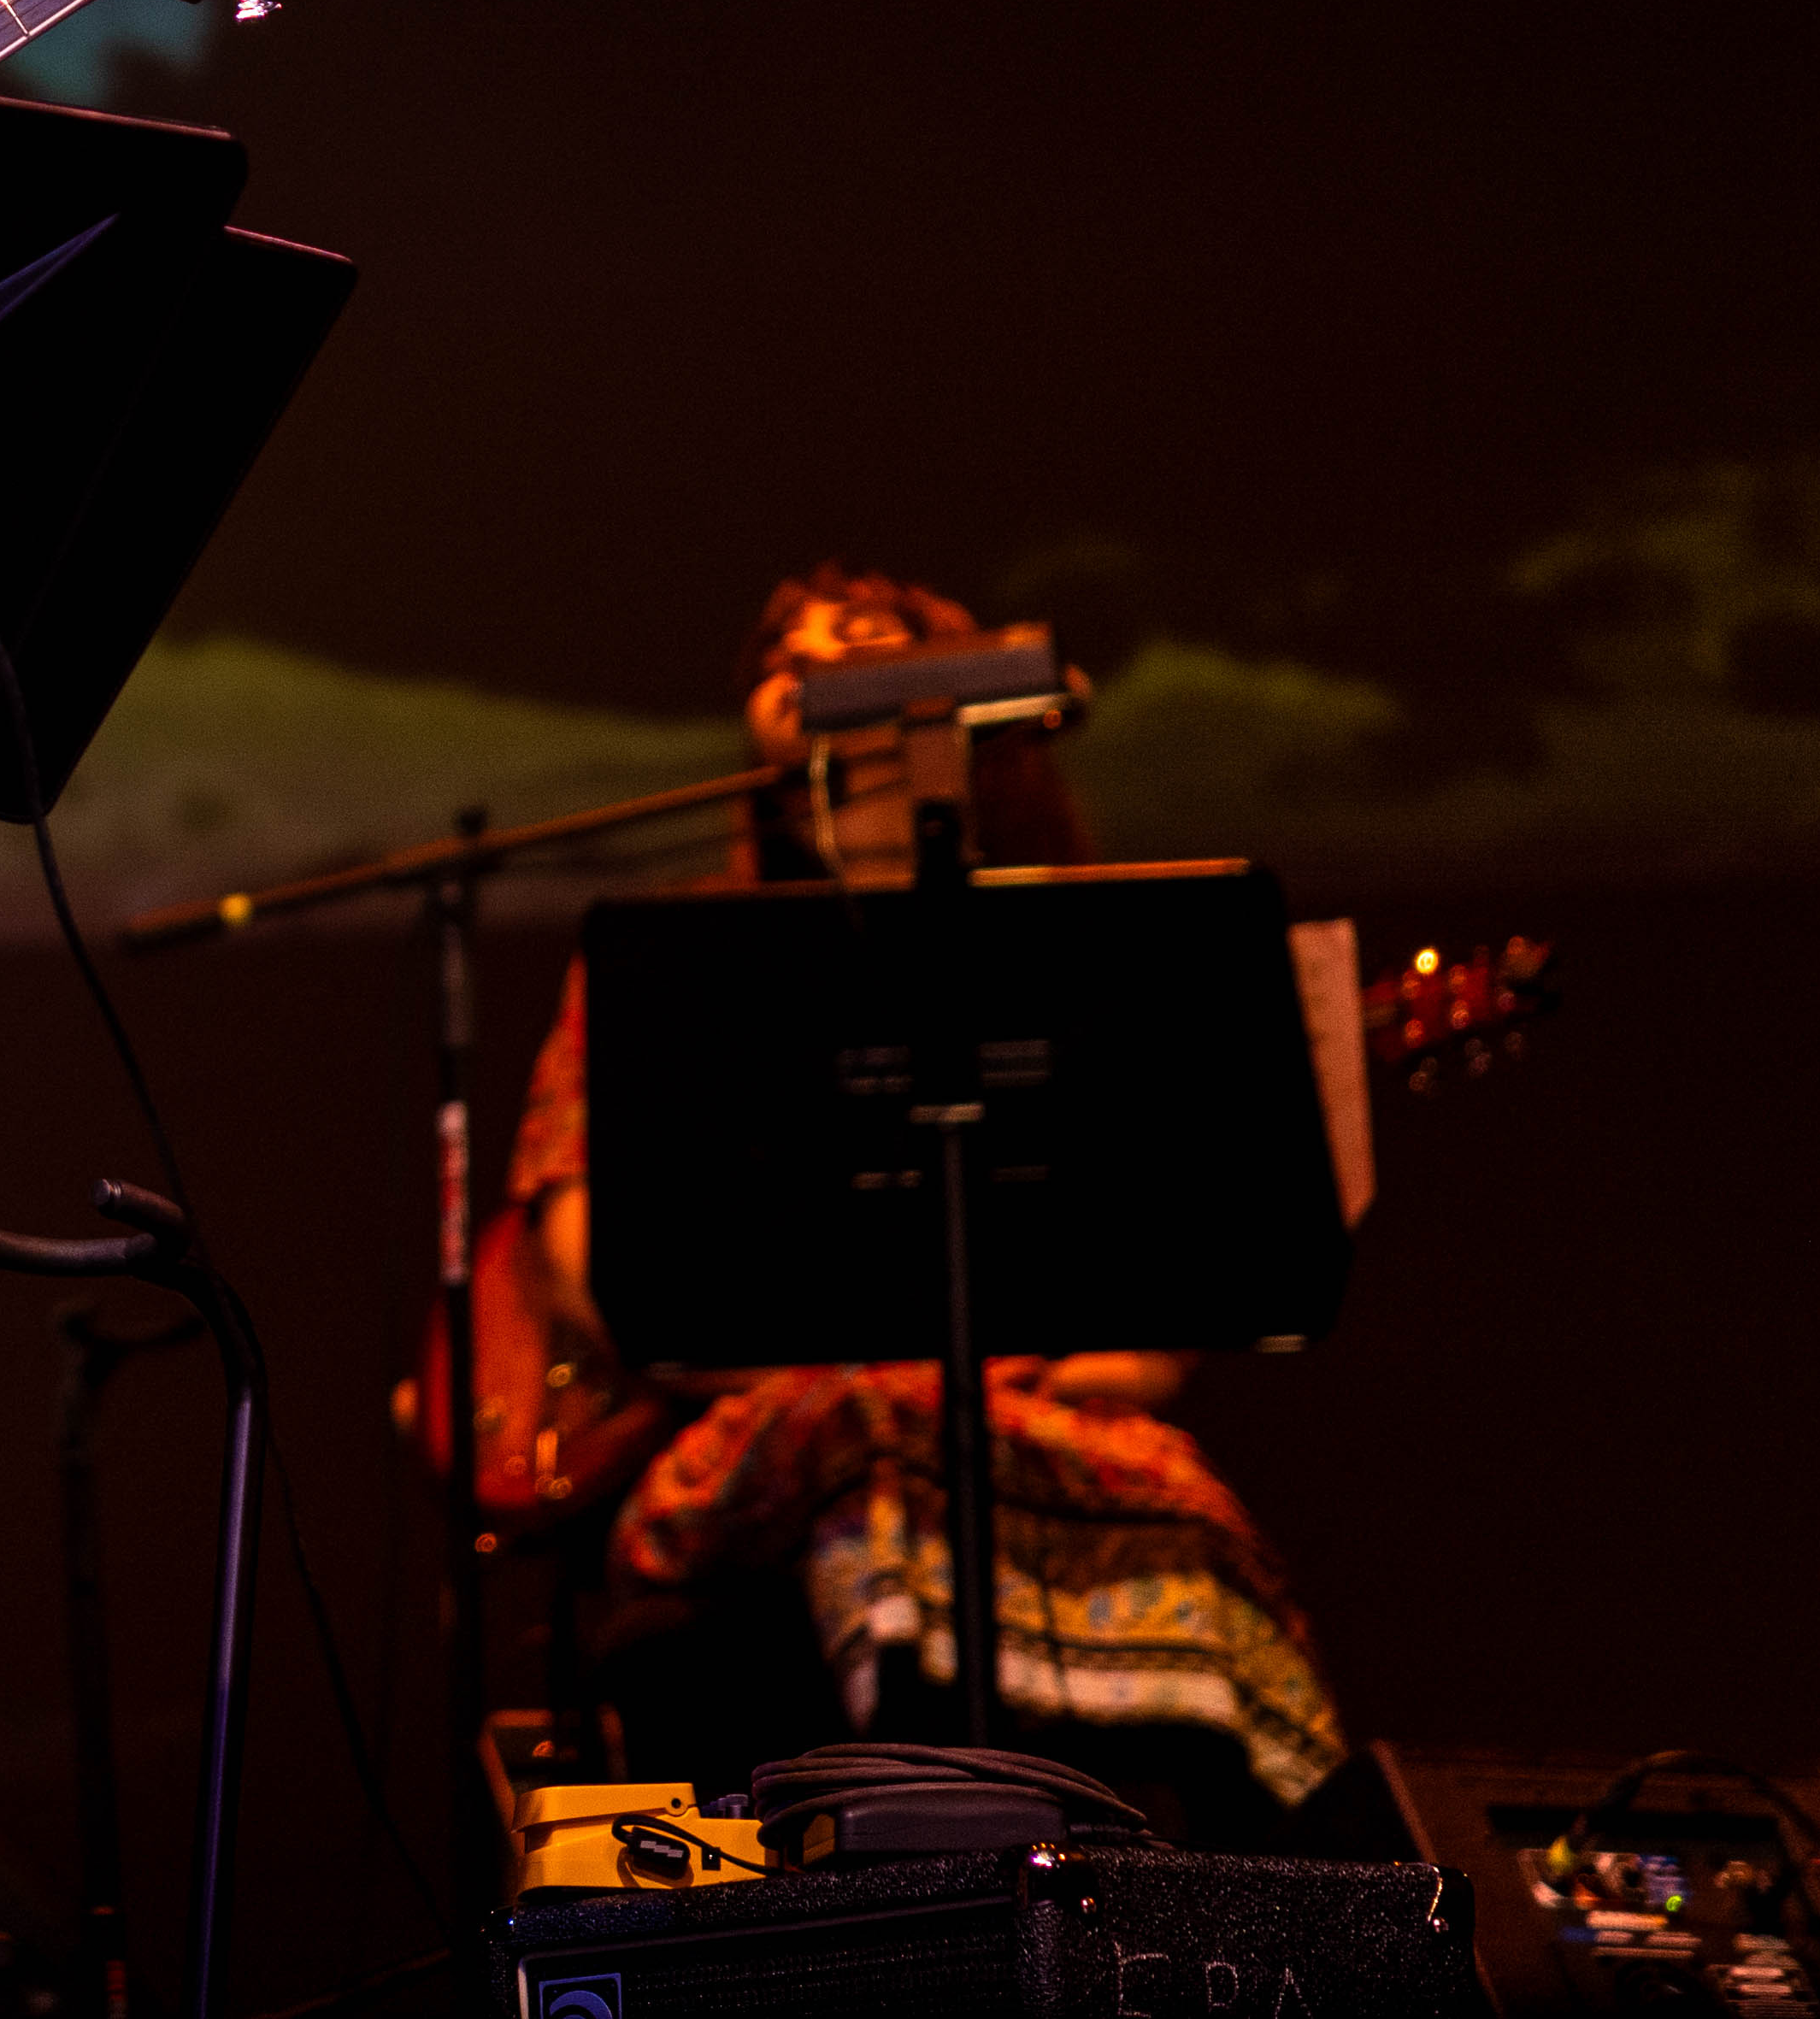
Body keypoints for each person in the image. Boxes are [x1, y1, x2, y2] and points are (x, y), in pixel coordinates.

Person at [477, 564, 1371, 1846]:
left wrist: (1055, 1368)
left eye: (870, 643)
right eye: (787, 655)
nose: (820, 665)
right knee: (873, 1451)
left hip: (1027, 1416)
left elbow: (1158, 1341)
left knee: (1191, 1516)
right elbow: (590, 1263)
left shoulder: (1095, 954)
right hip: (780, 1418)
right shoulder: (677, 960)